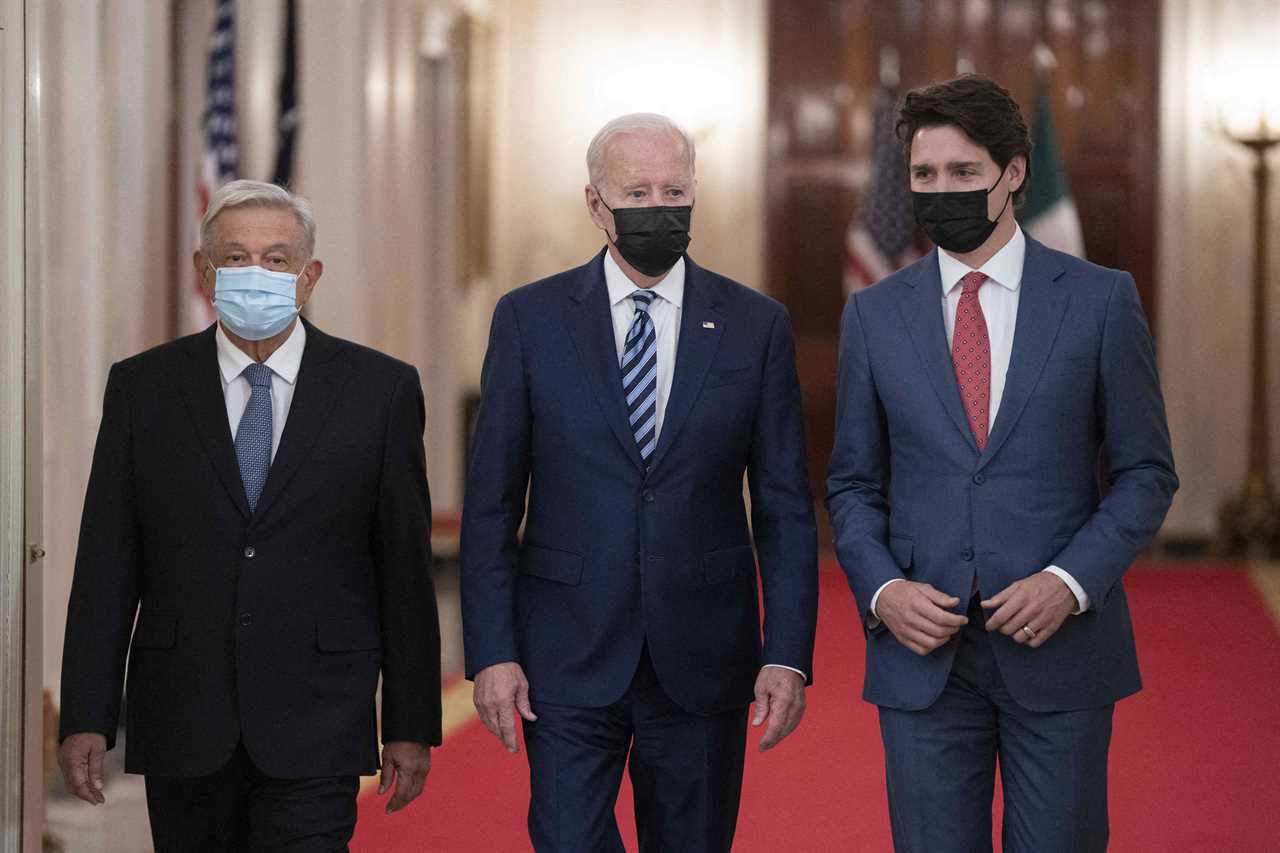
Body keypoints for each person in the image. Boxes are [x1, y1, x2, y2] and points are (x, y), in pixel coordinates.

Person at [826, 74, 1178, 853]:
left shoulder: (1101, 300)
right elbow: (851, 482)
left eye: (962, 173)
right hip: (923, 655)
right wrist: (883, 590)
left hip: (1060, 649)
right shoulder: (874, 314)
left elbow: (1148, 472)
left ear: (1015, 173)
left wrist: (1070, 581)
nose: (939, 190)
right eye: (924, 175)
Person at [461, 113, 819, 852]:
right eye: (638, 191)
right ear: (596, 204)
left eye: (675, 189)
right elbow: (493, 504)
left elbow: (784, 508)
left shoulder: (756, 325)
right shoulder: (529, 321)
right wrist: (492, 650)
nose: (660, 206)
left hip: (704, 654)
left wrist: (786, 652)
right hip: (565, 649)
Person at [57, 180, 442, 852]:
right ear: (202, 272)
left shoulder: (379, 391)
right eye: (235, 258)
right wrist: (87, 712)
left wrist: (410, 720)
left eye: (276, 258)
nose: (255, 274)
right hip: (184, 716)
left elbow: (403, 572)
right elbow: (106, 563)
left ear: (309, 275)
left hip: (318, 716)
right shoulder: (143, 388)